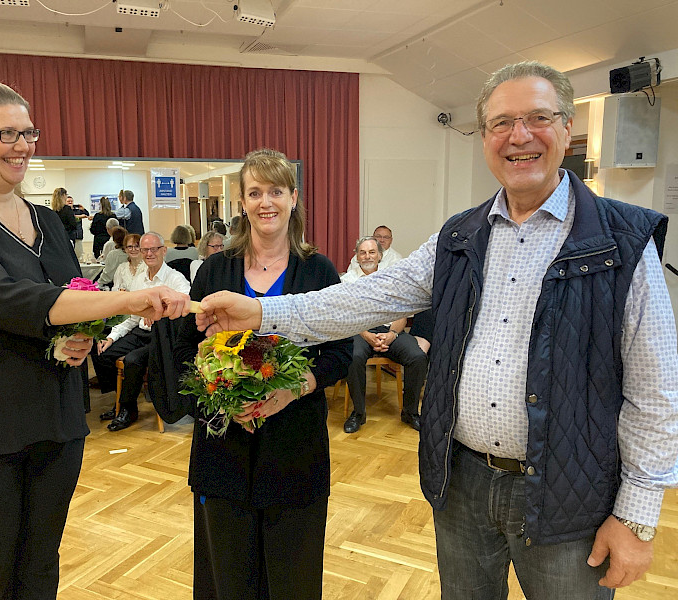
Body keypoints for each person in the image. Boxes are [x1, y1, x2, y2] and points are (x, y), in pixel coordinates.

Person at [196, 62, 678, 600]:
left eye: (537, 118)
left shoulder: (622, 240)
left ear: (567, 127)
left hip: (569, 496)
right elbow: (363, 297)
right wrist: (263, 314)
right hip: (464, 485)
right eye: (501, 123)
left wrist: (636, 516)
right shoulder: (460, 237)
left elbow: (655, 391)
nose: (519, 136)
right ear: (484, 138)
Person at [0, 78, 190, 600]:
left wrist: (82, 334)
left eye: (29, 132)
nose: (23, 145)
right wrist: (125, 301)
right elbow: (4, 300)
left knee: (39, 573)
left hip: (53, 422)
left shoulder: (46, 220)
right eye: (7, 134)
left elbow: (71, 295)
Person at [175, 149, 352, 599]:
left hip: (294, 446)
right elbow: (184, 351)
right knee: (228, 576)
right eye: (255, 192)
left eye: (276, 191)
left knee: (293, 575)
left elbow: (339, 351)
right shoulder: (215, 270)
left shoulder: (318, 270)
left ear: (294, 198)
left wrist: (297, 387)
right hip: (223, 450)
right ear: (242, 202)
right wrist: (219, 401)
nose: (265, 202)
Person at [94, 231, 190, 431]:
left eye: (153, 249)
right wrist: (111, 337)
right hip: (140, 333)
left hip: (161, 338)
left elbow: (185, 304)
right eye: (144, 249)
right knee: (103, 354)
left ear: (164, 251)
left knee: (132, 361)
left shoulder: (175, 278)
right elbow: (131, 318)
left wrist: (159, 312)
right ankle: (119, 401)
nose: (148, 254)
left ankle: (128, 409)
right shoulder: (139, 280)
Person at [340, 236, 428, 433]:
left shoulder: (393, 280)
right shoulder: (347, 281)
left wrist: (392, 334)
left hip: (390, 331)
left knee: (418, 357)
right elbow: (346, 316)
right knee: (353, 357)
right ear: (356, 256)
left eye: (372, 252)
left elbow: (402, 315)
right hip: (359, 331)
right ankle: (358, 414)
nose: (367, 256)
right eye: (362, 252)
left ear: (380, 255)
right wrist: (366, 335)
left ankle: (410, 412)